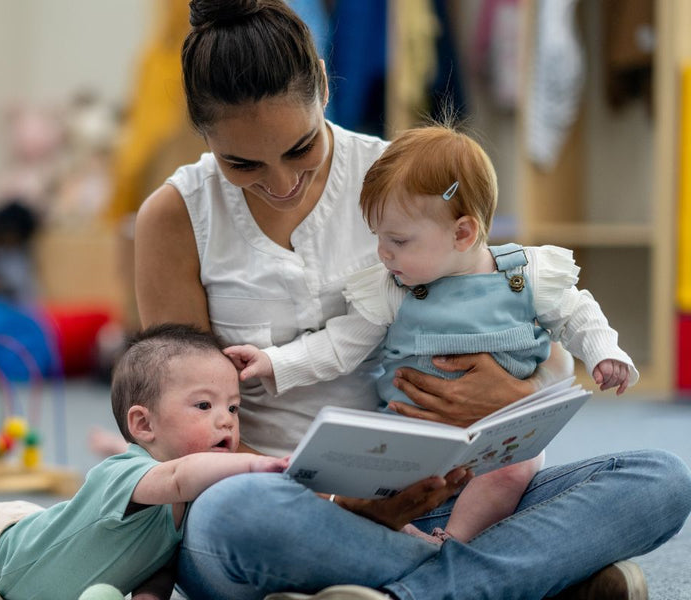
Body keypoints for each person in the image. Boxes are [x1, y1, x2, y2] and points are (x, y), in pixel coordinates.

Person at [132, 1, 691, 598]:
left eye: (300, 148)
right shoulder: (175, 216)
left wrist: (520, 395)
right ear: (203, 132)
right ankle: (507, 578)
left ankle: (401, 587)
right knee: (232, 518)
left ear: (323, 83)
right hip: (274, 503)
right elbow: (178, 425)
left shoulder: (398, 181)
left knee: (660, 479)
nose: (280, 182)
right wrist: (331, 504)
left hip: (431, 496)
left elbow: (499, 313)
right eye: (241, 163)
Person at [223, 124, 638, 544]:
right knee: (360, 475)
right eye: (379, 238)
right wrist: (275, 362)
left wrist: (604, 351)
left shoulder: (525, 273)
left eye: (398, 240)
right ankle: (405, 542)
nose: (383, 253)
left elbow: (577, 312)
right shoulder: (393, 287)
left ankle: (452, 544)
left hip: (496, 441)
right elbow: (340, 344)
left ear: (463, 233)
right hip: (411, 434)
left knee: (525, 469)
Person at [0, 323, 288, 600]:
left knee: (4, 528)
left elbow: (159, 566)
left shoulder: (191, 504)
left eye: (233, 409)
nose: (225, 421)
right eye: (203, 405)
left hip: (24, 531)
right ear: (143, 424)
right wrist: (255, 464)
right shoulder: (128, 474)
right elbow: (178, 476)